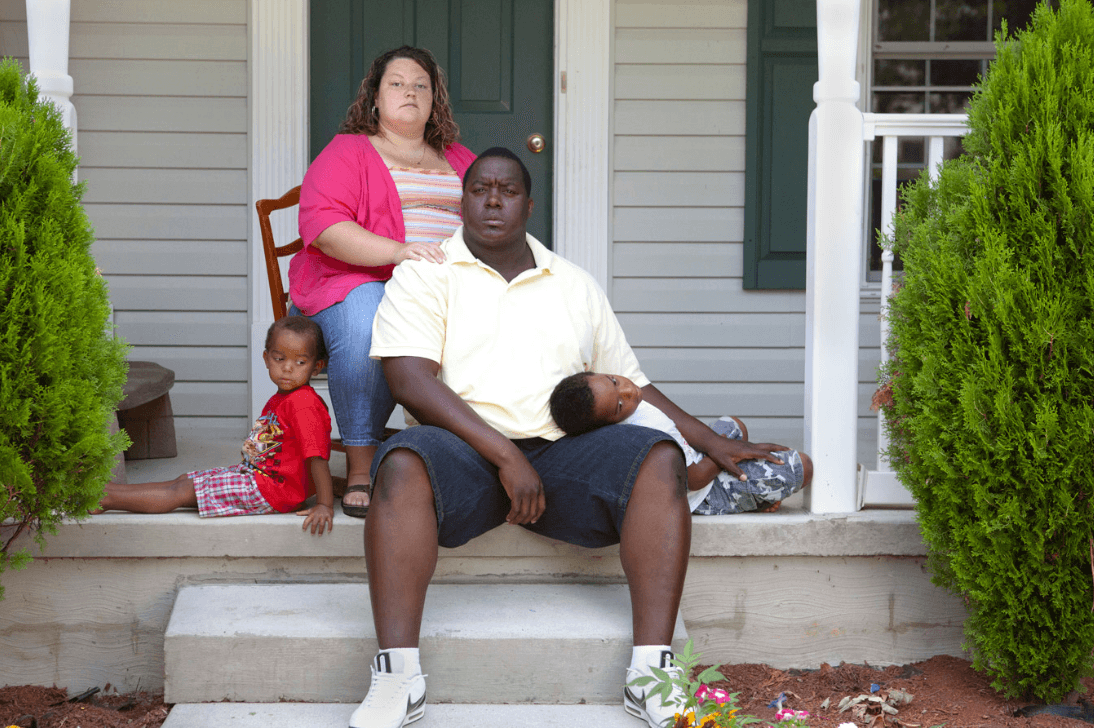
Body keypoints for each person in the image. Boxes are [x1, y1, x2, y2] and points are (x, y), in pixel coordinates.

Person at [347, 147, 793, 728]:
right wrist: (505, 455)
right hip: (462, 455)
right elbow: (408, 378)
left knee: (656, 456)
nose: (492, 201)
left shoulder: (573, 284)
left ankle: (651, 676)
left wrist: (711, 440)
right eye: (480, 188)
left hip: (562, 457)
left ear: (529, 205)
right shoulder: (425, 273)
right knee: (401, 463)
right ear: (463, 199)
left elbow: (632, 383)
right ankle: (397, 678)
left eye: (507, 191)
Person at [288, 45, 477, 518]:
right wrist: (398, 253)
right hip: (352, 282)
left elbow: (496, 214)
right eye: (396, 83)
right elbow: (325, 229)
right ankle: (360, 465)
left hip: (445, 291)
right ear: (374, 97)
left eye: (420, 85)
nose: (409, 92)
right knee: (371, 312)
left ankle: (476, 457)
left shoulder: (458, 157)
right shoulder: (349, 150)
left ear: (436, 100)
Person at [95, 317, 335, 536]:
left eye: (300, 362)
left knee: (181, 491)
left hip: (272, 492)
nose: (287, 368)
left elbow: (317, 458)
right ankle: (111, 491)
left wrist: (324, 504)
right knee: (182, 481)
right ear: (266, 358)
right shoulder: (284, 397)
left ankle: (107, 498)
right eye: (279, 358)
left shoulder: (304, 404)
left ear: (316, 366)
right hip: (257, 478)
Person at [550, 372, 813, 514]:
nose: (629, 391)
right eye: (620, 404)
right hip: (704, 492)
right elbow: (694, 478)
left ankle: (758, 493)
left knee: (734, 424)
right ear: (607, 425)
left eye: (614, 381)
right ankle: (754, 500)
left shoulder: (635, 404)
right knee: (803, 466)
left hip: (695, 457)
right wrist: (730, 455)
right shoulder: (641, 433)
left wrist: (716, 445)